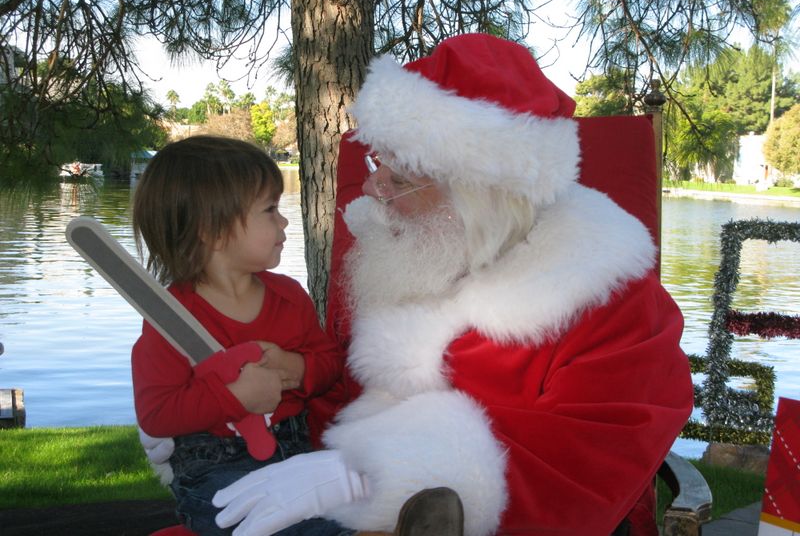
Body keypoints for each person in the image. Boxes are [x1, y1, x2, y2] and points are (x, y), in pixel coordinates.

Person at [151, 34, 694, 536]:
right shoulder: (412, 253)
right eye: (375, 163)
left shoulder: (607, 292)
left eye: (400, 179)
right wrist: (213, 424)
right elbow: (347, 396)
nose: (370, 187)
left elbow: (589, 459)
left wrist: (369, 472)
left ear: (479, 197)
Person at [130, 136, 345, 536]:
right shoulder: (171, 318)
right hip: (214, 469)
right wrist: (235, 398)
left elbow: (331, 364)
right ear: (212, 230)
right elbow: (157, 413)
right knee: (271, 525)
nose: (283, 222)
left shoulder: (288, 296)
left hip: (293, 452)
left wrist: (296, 367)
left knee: (345, 501)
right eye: (270, 210)